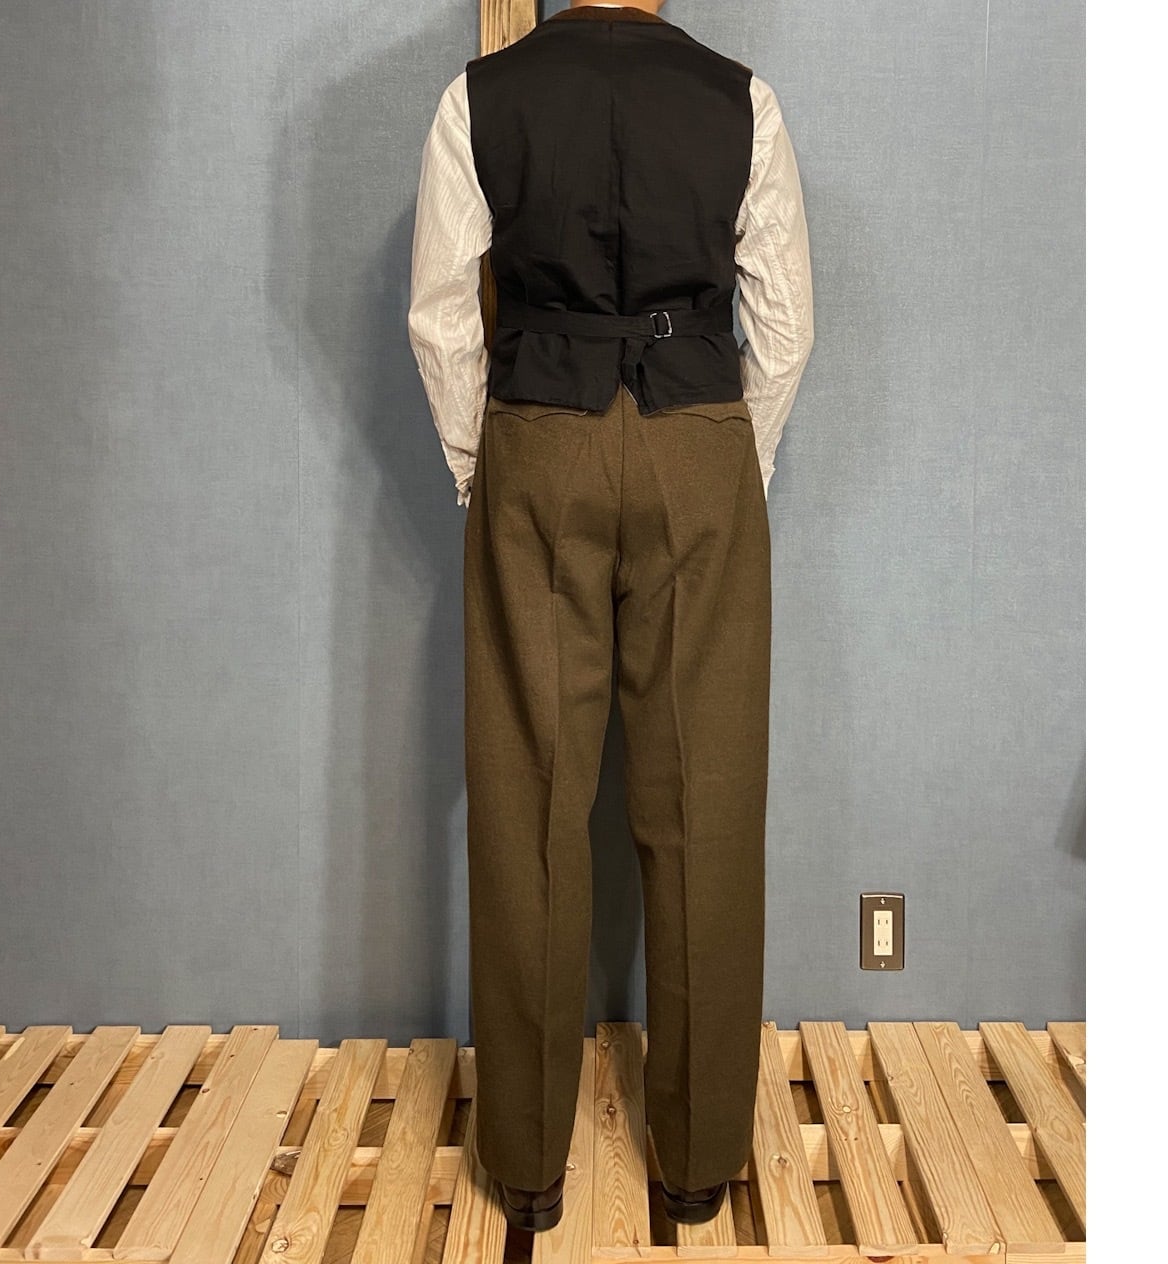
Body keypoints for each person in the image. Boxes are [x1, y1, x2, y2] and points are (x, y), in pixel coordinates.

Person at [408, 0, 813, 1234]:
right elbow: (783, 320)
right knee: (705, 801)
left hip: (539, 438)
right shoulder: (739, 98)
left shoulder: (480, 97)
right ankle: (696, 1160)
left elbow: (439, 311)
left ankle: (528, 1163)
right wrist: (733, 463)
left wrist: (482, 468)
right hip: (697, 439)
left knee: (527, 797)